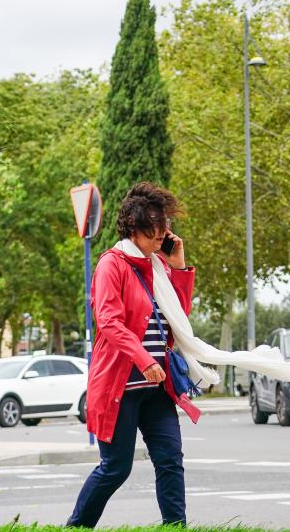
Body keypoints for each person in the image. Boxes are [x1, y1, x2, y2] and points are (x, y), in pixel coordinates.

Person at [67, 182, 194, 528]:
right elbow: (108, 320)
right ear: (135, 231)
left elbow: (178, 319)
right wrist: (145, 359)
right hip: (120, 386)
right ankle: (76, 527)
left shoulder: (157, 267)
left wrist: (179, 268)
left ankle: (175, 526)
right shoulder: (112, 265)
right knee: (116, 468)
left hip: (156, 388)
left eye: (164, 230)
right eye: (155, 233)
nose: (162, 238)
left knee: (170, 460)